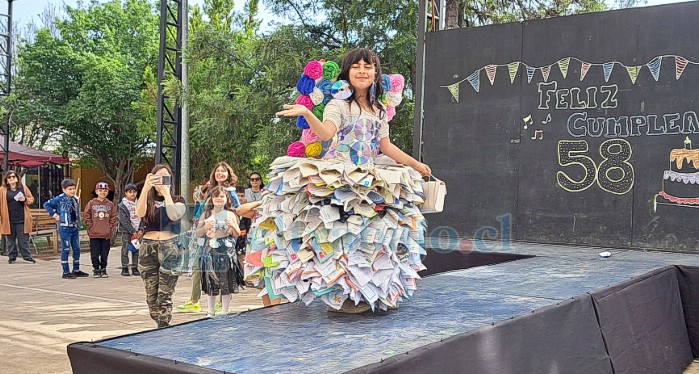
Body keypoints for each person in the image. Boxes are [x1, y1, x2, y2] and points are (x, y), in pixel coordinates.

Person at [260, 48, 432, 313]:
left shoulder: (379, 110)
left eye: (368, 66)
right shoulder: (338, 104)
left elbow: (385, 146)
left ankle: (366, 293)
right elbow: (327, 133)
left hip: (368, 181)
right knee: (341, 240)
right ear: (347, 72)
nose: (362, 71)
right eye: (356, 66)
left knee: (368, 238)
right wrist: (307, 114)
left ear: (376, 73)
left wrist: (415, 164)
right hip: (340, 179)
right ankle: (342, 296)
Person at [175, 162, 260, 313]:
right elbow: (203, 208)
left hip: (225, 236)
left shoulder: (231, 191)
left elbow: (238, 210)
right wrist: (199, 221)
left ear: (229, 174)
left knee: (224, 270)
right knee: (198, 267)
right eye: (217, 171)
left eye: (223, 171)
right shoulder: (210, 189)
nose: (220, 173)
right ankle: (195, 300)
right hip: (206, 234)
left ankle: (222, 303)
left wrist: (229, 222)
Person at [136, 164, 187, 328]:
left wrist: (166, 194)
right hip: (148, 247)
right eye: (158, 177)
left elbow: (174, 215)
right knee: (151, 296)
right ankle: (160, 322)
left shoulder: (178, 200)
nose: (161, 181)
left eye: (165, 177)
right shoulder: (148, 199)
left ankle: (163, 326)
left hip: (170, 246)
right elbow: (139, 213)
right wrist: (145, 188)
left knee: (165, 293)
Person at [196, 185, 244, 317]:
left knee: (226, 281)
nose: (219, 199)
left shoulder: (231, 214)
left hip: (227, 251)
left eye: (222, 196)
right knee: (211, 280)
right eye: (216, 196)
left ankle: (224, 311)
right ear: (211, 198)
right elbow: (198, 233)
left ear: (226, 198)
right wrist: (206, 227)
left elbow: (237, 233)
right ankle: (210, 311)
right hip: (210, 251)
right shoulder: (206, 214)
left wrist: (233, 225)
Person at [44, 178, 89, 279]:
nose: (72, 191)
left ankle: (76, 269)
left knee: (77, 248)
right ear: (64, 190)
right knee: (66, 249)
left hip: (74, 227)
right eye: (70, 189)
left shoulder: (75, 199)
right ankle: (66, 271)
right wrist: (55, 215)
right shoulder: (60, 198)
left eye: (73, 188)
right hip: (65, 227)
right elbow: (47, 204)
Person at [0, 170, 36, 264]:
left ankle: (27, 257)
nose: (12, 178)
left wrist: (25, 199)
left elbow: (31, 199)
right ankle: (12, 257)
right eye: (10, 177)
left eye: (14, 176)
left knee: (23, 239)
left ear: (17, 178)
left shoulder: (23, 188)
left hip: (22, 218)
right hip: (8, 219)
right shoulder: (3, 190)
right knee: (10, 240)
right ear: (7, 180)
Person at [84, 182, 117, 278]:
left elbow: (113, 217)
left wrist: (109, 227)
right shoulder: (91, 203)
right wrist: (90, 226)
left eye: (105, 191)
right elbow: (86, 215)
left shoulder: (110, 204)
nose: (103, 192)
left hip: (105, 234)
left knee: (104, 253)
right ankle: (96, 269)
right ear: (96, 191)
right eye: (100, 190)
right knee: (94, 253)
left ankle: (103, 269)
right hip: (94, 234)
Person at [118, 183, 142, 276]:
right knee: (125, 249)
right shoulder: (123, 205)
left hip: (137, 231)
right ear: (126, 193)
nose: (132, 194)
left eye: (134, 192)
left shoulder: (140, 203)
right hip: (126, 231)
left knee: (136, 249)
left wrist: (140, 229)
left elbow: (143, 217)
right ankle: (124, 267)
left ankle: (135, 267)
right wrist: (132, 231)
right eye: (130, 192)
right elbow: (124, 220)